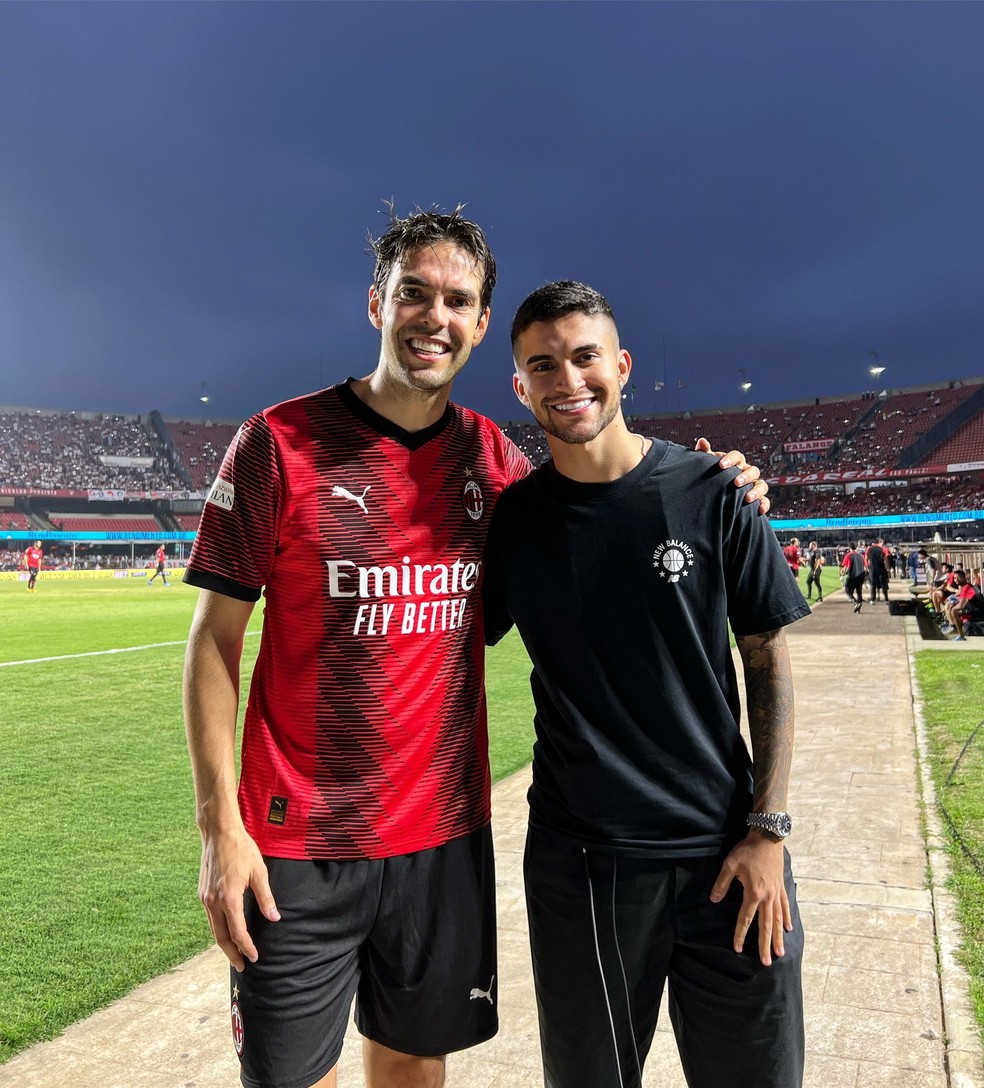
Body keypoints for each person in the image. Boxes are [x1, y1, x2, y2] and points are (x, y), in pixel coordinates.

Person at [181, 208, 771, 1088]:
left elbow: (601, 514)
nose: (434, 315)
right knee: (290, 1077)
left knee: (417, 1065)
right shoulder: (279, 443)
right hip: (296, 838)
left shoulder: (493, 463)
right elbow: (214, 644)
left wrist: (719, 483)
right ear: (375, 302)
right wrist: (218, 828)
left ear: (482, 324)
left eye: (458, 299)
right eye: (413, 293)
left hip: (440, 836)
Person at [483, 281, 809, 1088]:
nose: (569, 381)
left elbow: (767, 660)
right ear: (520, 387)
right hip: (584, 865)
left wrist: (767, 832)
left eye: (585, 356)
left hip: (729, 858)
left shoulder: (715, 493)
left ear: (621, 366)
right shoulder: (512, 525)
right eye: (543, 365)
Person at [943, 569, 984, 640]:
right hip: (974, 610)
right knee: (953, 610)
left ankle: (960, 635)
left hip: (978, 612)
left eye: (958, 577)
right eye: (955, 578)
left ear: (964, 577)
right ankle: (956, 629)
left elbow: (961, 605)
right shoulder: (965, 587)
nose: (956, 580)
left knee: (953, 611)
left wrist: (952, 609)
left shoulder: (967, 587)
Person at [842, 541, 866, 612]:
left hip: (852, 575)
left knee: (847, 590)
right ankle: (859, 605)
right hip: (861, 575)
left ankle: (856, 603)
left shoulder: (848, 555)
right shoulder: (861, 555)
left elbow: (845, 567)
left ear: (849, 547)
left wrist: (842, 573)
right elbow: (864, 566)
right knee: (859, 591)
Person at [865, 538, 888, 603]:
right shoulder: (882, 549)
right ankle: (886, 599)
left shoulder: (869, 549)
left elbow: (867, 559)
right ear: (878, 542)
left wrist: (867, 567)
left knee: (873, 584)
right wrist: (888, 569)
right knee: (884, 584)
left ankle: (873, 599)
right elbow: (885, 559)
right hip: (881, 568)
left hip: (872, 569)